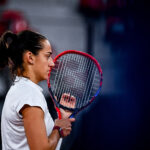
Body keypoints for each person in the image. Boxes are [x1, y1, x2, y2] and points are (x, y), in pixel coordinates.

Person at [0, 30, 76, 150]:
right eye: (48, 56)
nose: (52, 63)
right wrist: (57, 130)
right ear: (30, 57)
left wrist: (62, 120)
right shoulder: (29, 94)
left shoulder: (21, 90)